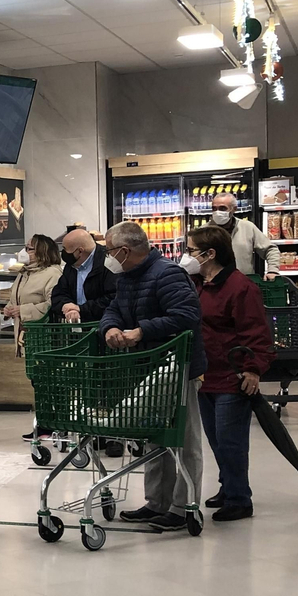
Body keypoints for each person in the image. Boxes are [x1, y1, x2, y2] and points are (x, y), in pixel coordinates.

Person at [99, 220, 207, 530]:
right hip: (149, 367)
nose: (107, 258)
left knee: (184, 439)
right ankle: (157, 502)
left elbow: (187, 316)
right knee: (154, 436)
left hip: (178, 366)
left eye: (108, 251)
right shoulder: (129, 278)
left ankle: (184, 506)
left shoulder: (168, 274)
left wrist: (141, 331)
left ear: (124, 250)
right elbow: (114, 309)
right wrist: (111, 327)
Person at [186, 224, 275, 521]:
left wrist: (253, 370)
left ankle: (240, 498)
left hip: (232, 376)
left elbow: (257, 333)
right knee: (215, 438)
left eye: (191, 251)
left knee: (230, 440)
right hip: (205, 374)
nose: (187, 256)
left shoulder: (241, 288)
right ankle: (228, 487)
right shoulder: (198, 283)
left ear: (210, 254)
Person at [4, 234, 63, 349]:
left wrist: (23, 311)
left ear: (42, 252)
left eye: (29, 249)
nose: (23, 252)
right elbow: (17, 296)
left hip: (44, 336)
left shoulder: (52, 274)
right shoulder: (24, 273)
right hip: (25, 333)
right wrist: (10, 307)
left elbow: (54, 304)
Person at [51, 227, 118, 325]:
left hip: (103, 325)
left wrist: (81, 309)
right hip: (75, 326)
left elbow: (112, 298)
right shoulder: (71, 265)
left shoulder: (109, 263)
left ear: (80, 251)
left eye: (65, 249)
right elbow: (59, 292)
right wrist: (67, 306)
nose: (63, 253)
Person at [210, 190, 280, 279]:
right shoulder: (203, 231)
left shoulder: (247, 227)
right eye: (214, 209)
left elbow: (270, 250)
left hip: (244, 285)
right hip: (213, 286)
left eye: (222, 208)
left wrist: (273, 271)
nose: (217, 212)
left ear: (234, 209)